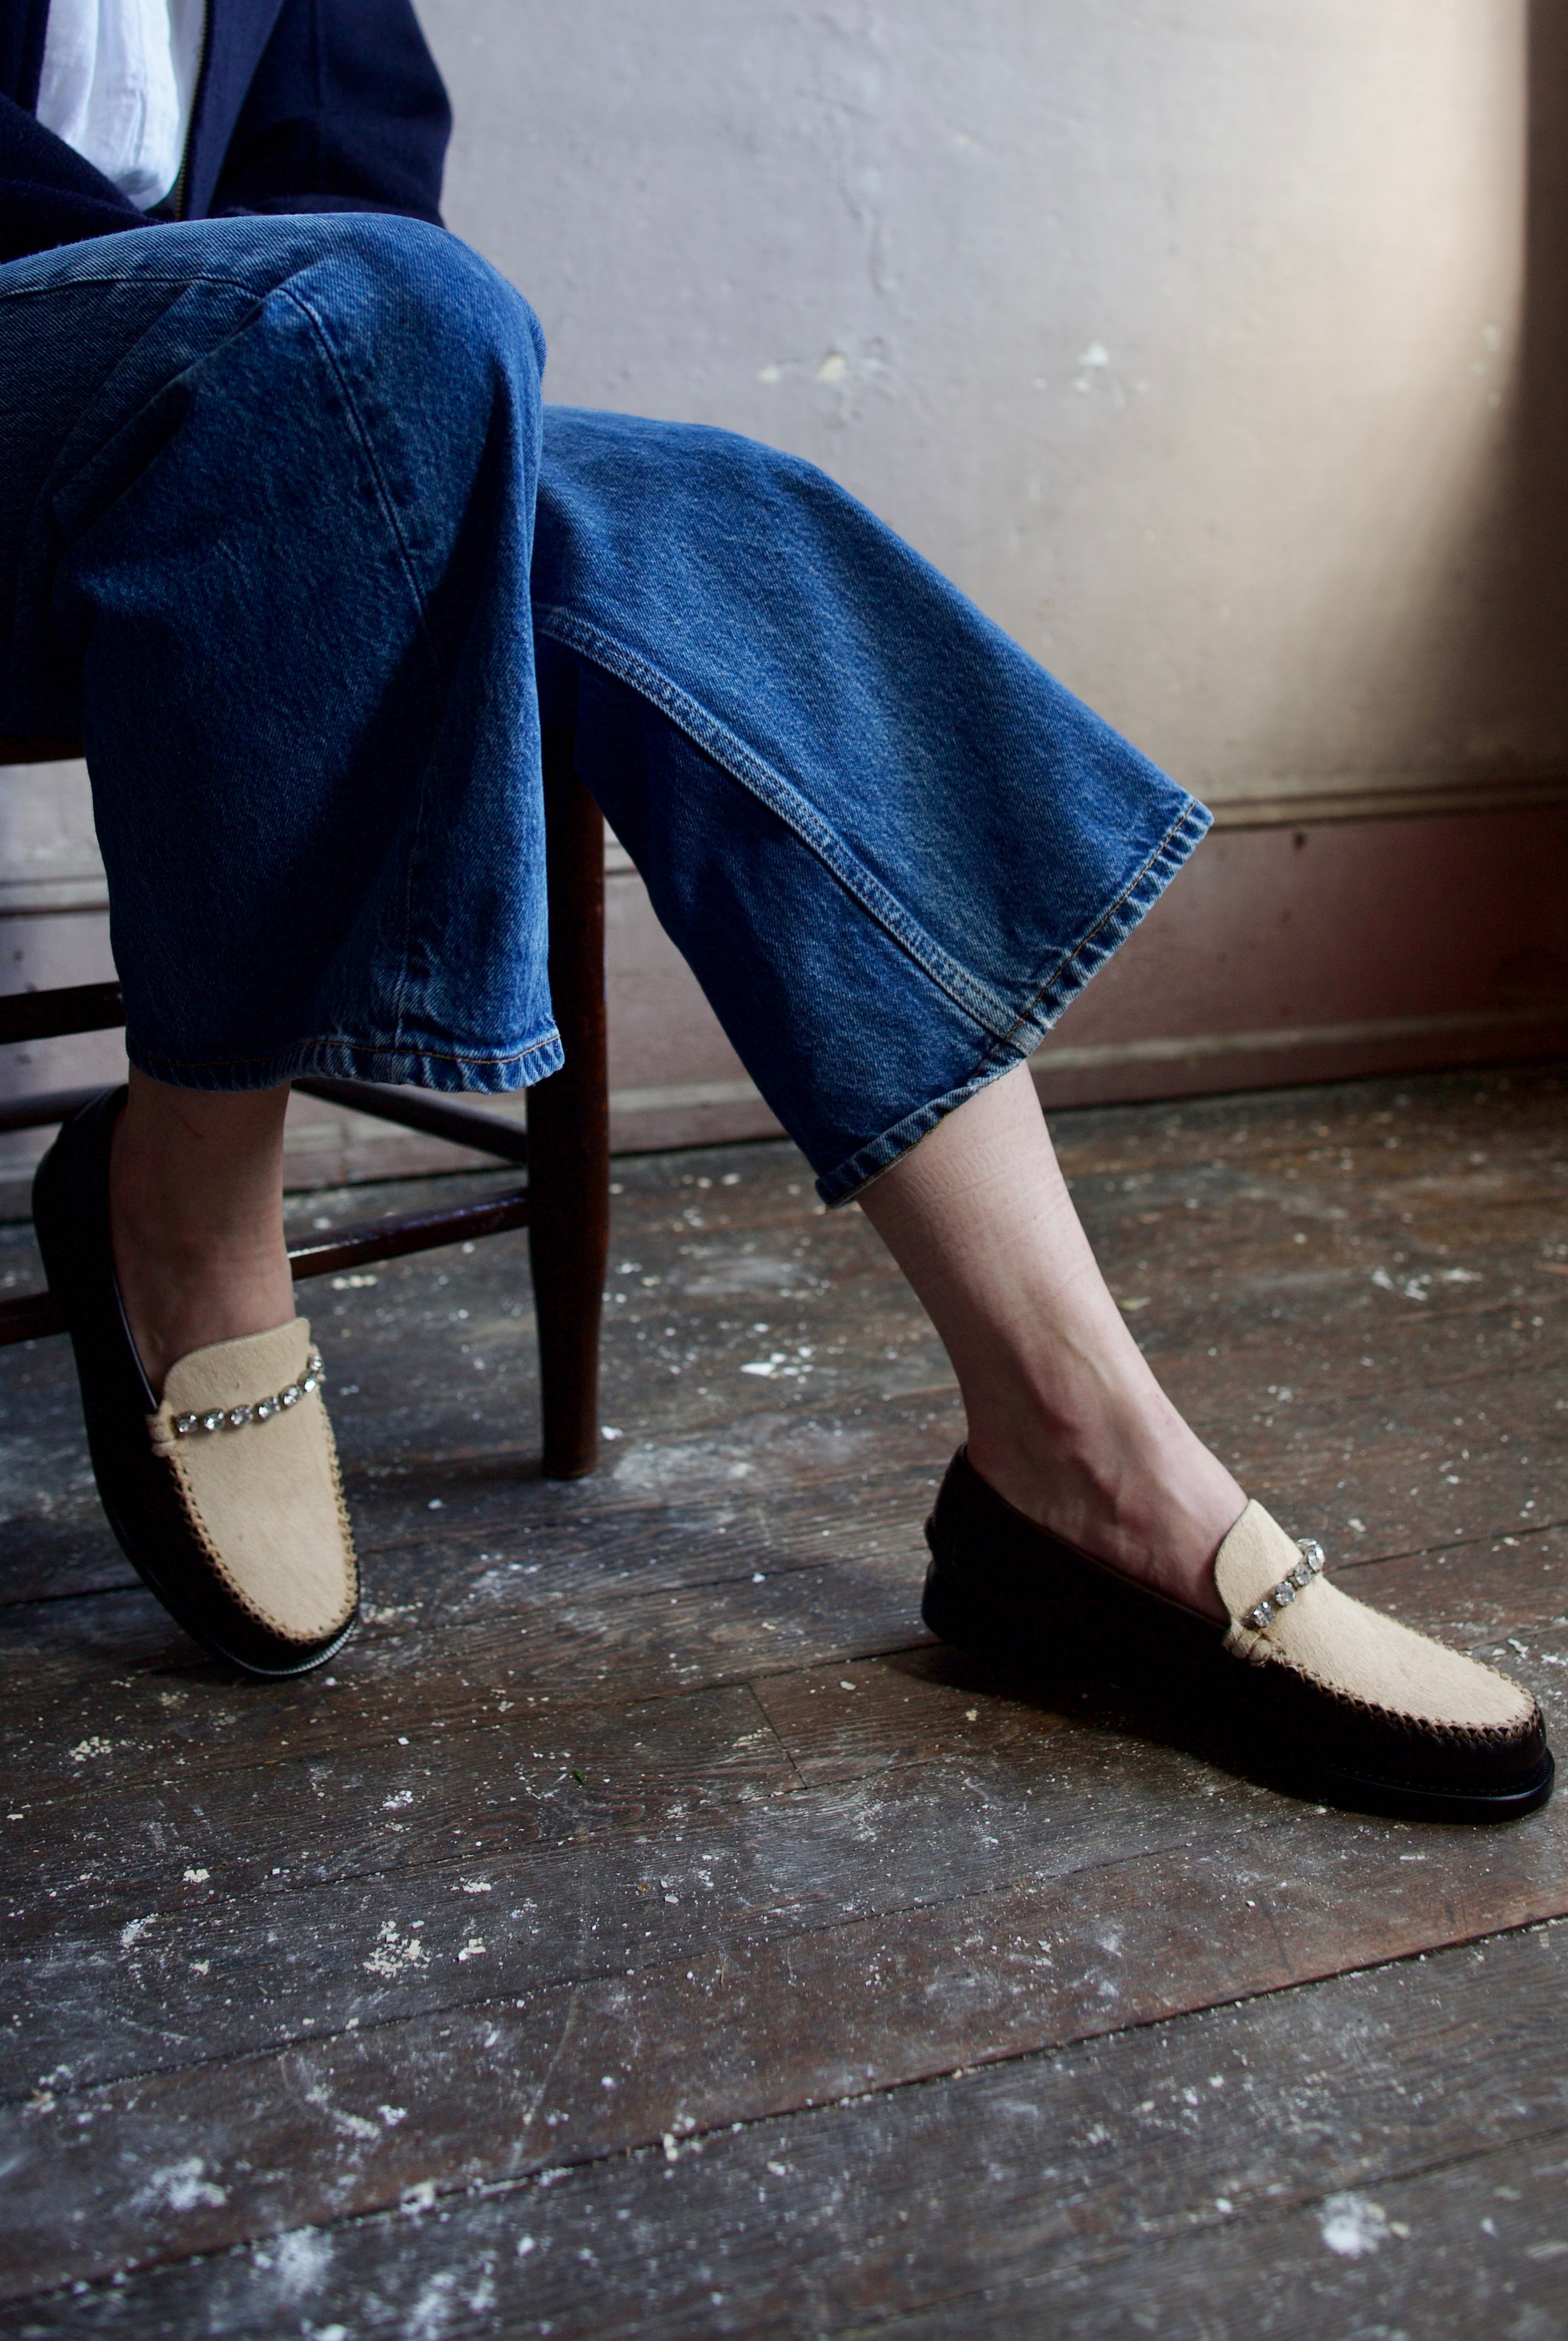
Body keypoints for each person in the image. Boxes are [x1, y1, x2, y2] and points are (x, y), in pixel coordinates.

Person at [2, 0, 1551, 1822]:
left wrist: (314, 364)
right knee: (363, 326)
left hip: (219, 402)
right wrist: (252, 335)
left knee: (694, 511)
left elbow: (359, 185)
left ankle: (1076, 1453)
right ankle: (182, 1195)